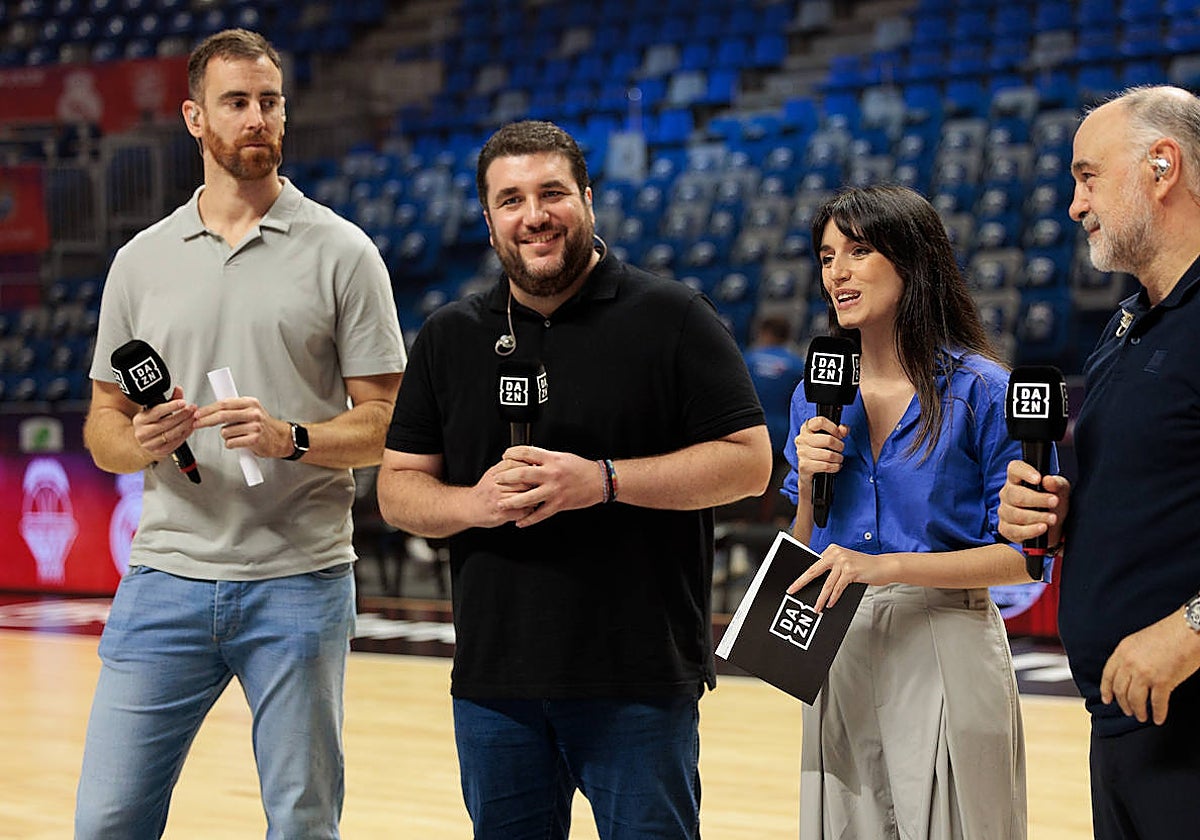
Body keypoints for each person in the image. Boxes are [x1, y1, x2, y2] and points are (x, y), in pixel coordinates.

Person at [376, 119, 773, 839]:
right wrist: (474, 503)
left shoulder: (672, 316)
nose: (534, 215)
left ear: (587, 198)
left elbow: (749, 462)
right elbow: (398, 487)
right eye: (511, 200)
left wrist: (604, 481)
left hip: (640, 682)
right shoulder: (449, 337)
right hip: (496, 686)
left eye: (552, 193)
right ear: (488, 219)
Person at [75, 29, 405, 839]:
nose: (257, 118)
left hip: (299, 577)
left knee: (302, 825)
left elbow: (387, 423)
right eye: (235, 102)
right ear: (195, 118)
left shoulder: (344, 252)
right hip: (167, 574)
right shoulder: (140, 261)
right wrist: (144, 440)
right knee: (107, 820)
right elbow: (103, 426)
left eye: (269, 102)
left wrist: (294, 438)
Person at [782, 185, 1035, 839]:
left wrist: (886, 566)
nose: (837, 273)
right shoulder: (812, 395)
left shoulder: (985, 390)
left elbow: (1022, 560)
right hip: (836, 638)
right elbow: (804, 545)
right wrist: (807, 487)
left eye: (858, 251)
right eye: (827, 256)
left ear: (913, 260)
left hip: (944, 634)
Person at [998, 85, 1200, 839]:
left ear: (1162, 165)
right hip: (1125, 723)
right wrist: (1057, 516)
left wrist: (1190, 629)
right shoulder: (1127, 323)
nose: (1075, 205)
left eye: (1088, 177)